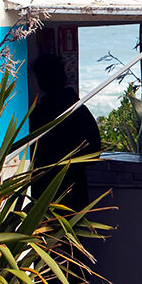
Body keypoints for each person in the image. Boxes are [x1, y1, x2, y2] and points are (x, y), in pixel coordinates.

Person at [30, 53, 102, 212]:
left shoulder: (40, 115)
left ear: (41, 81)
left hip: (46, 191)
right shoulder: (78, 109)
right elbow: (95, 152)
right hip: (75, 191)